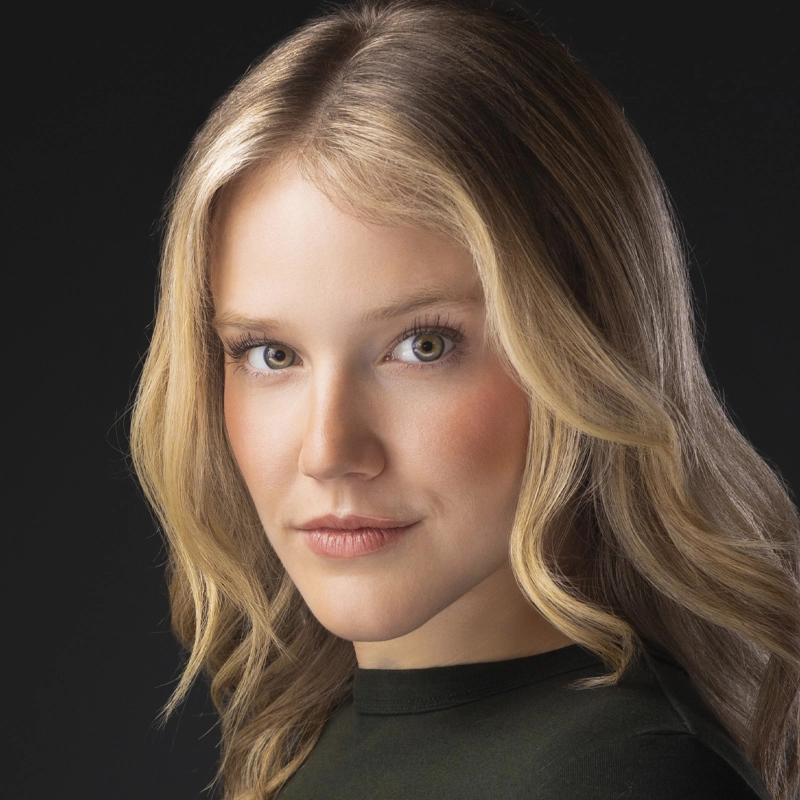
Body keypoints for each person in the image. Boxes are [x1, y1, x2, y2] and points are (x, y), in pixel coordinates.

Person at [129, 0, 800, 798]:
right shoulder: (309, 746)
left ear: (583, 346)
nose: (328, 451)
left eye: (423, 346)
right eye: (271, 355)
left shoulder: (625, 775)